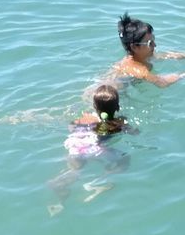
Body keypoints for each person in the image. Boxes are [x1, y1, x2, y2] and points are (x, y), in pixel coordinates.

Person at [47, 83, 135, 214]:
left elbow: (71, 126)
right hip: (95, 148)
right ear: (117, 107)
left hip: (76, 146)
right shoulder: (119, 121)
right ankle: (99, 182)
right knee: (125, 159)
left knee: (75, 170)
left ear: (94, 106)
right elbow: (134, 132)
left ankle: (60, 201)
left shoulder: (85, 117)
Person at [112, 13, 185, 88]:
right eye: (150, 43)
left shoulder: (144, 56)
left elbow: (165, 56)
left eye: (153, 40)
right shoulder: (139, 69)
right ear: (134, 47)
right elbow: (162, 83)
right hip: (109, 95)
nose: (155, 45)